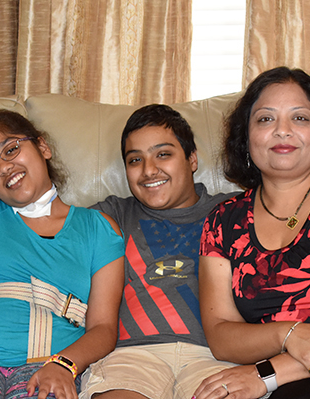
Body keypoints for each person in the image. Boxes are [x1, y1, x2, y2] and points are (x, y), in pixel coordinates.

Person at [0, 110, 125, 399]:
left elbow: (104, 328)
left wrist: (64, 365)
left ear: (42, 147)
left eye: (11, 149)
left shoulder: (98, 228)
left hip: (52, 366)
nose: (4, 167)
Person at [194, 66, 310, 399]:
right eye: (266, 119)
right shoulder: (222, 222)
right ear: (246, 138)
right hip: (289, 383)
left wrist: (266, 374)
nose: (282, 131)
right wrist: (289, 334)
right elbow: (221, 336)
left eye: (300, 118)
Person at [79, 104, 237, 399]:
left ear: (191, 159)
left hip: (216, 359)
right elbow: (45, 226)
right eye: (135, 159)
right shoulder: (114, 214)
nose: (148, 170)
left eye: (163, 154)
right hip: (131, 359)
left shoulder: (233, 211)